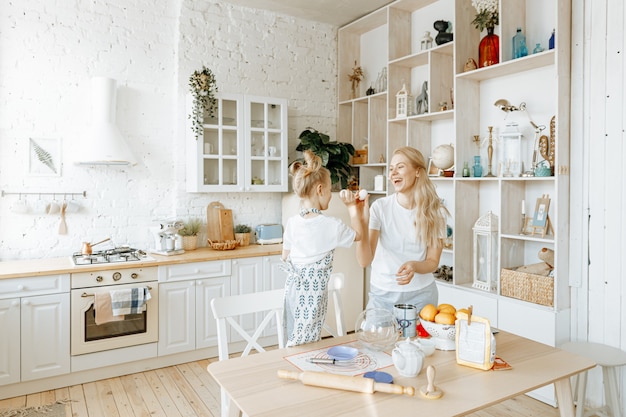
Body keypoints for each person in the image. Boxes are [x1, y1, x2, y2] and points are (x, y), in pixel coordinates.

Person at [281, 150, 366, 347]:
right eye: (329, 190)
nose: (330, 196)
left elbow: (285, 257)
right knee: (309, 340)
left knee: (294, 337)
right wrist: (353, 208)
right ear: (320, 190)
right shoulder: (330, 225)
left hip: (293, 293)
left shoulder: (293, 222)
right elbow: (359, 235)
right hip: (312, 297)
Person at [356, 146, 448, 314]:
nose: (392, 174)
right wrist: (361, 222)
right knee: (376, 340)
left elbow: (432, 262)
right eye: (391, 169)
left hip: (422, 296)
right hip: (382, 296)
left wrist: (414, 266)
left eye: (400, 167)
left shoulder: (436, 212)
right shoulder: (380, 208)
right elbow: (364, 261)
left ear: (418, 171)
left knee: (420, 341)